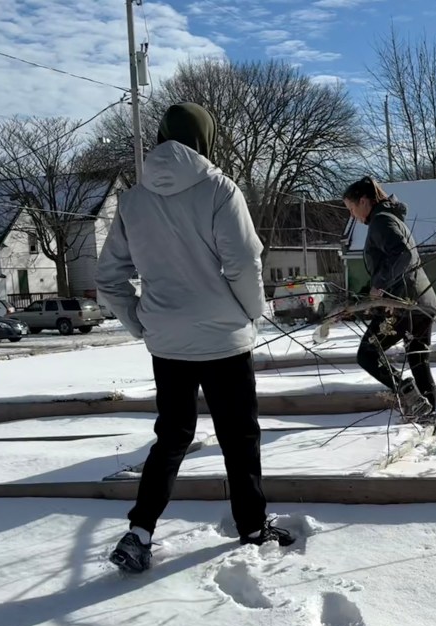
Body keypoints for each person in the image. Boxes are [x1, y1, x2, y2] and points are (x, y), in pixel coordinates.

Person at [96, 102, 293, 574]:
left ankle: (140, 531)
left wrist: (142, 323)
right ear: (204, 138)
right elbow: (244, 263)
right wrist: (251, 313)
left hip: (167, 344)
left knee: (172, 436)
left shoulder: (132, 201)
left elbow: (108, 279)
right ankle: (252, 526)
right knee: (239, 436)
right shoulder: (219, 189)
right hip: (225, 340)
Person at [343, 176, 436, 422]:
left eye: (351, 209)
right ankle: (429, 419)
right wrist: (362, 296)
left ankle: (408, 394)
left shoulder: (381, 221)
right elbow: (388, 265)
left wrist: (379, 285)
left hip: (402, 305)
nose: (352, 215)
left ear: (364, 201)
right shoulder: (390, 219)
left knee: (367, 354)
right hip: (421, 303)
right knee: (418, 361)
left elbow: (402, 256)